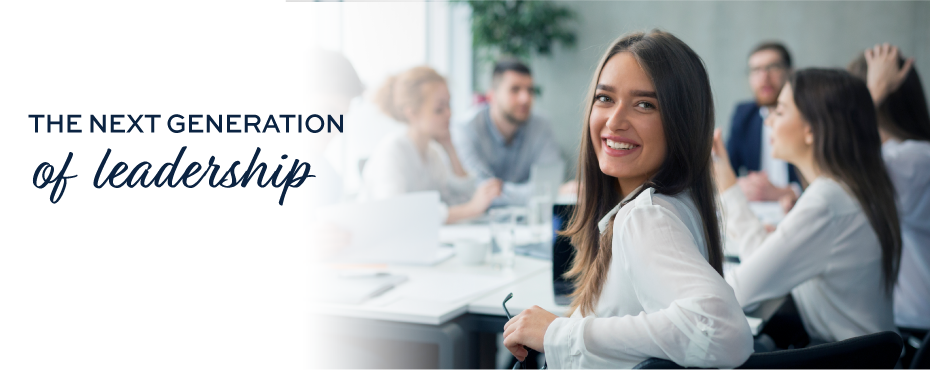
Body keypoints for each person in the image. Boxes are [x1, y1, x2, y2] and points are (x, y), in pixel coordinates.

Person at [500, 30, 754, 369]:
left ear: (681, 123)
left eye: (644, 104)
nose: (614, 121)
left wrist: (561, 333)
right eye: (605, 98)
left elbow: (724, 331)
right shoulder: (674, 203)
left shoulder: (646, 217)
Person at [714, 68, 902, 344]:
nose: (769, 123)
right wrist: (729, 187)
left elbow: (737, 292)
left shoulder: (826, 202)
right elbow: (768, 265)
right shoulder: (853, 188)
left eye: (779, 112)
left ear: (811, 130)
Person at [849, 43, 930, 364]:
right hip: (904, 311)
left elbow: (842, 149)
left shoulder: (910, 158)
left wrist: (874, 89)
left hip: (912, 316)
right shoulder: (906, 156)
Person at [359, 66, 502, 224]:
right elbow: (394, 213)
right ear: (412, 113)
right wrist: (470, 209)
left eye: (449, 106)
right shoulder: (392, 151)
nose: (449, 114)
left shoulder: (432, 153)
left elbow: (461, 201)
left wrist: (450, 148)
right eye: (439, 109)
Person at [452, 60, 566, 206]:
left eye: (530, 90)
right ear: (491, 95)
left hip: (530, 222)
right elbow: (476, 191)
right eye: (515, 90)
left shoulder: (542, 126)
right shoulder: (466, 128)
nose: (525, 98)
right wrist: (539, 192)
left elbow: (551, 183)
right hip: (478, 224)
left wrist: (502, 191)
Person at [726, 42, 801, 205]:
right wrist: (742, 185)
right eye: (756, 70)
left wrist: (788, 192)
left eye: (772, 67)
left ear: (790, 72)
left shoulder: (807, 114)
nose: (764, 77)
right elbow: (728, 169)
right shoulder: (743, 115)